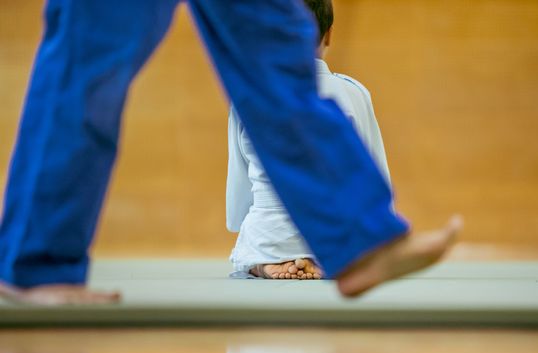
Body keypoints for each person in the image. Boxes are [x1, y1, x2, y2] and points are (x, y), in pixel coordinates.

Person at [0, 0, 462, 306]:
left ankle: (358, 241)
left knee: (271, 41)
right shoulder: (354, 93)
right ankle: (38, 262)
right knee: (94, 40)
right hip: (267, 242)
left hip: (265, 241)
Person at [227, 0, 393, 280]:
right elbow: (377, 181)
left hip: (267, 237)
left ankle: (264, 262)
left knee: (257, 234)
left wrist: (250, 226)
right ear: (328, 34)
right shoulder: (353, 93)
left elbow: (238, 197)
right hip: (334, 235)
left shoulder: (247, 98)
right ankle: (323, 260)